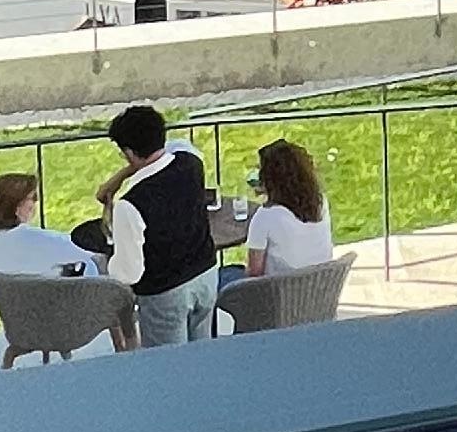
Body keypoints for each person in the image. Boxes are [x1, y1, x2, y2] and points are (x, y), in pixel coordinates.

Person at [95, 104, 221, 348]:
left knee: (168, 364)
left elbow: (129, 273)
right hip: (205, 275)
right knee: (203, 354)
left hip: (165, 293)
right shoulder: (191, 161)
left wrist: (107, 261)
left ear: (129, 153)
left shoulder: (130, 204)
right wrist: (121, 176)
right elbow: (172, 148)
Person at [230, 135, 336, 305]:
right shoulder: (321, 203)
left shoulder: (265, 217)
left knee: (224, 276)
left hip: (279, 302)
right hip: (316, 296)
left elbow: (254, 275)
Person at [0, 171, 106, 284]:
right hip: (74, 299)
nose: (36, 202)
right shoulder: (37, 240)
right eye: (33, 198)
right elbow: (86, 250)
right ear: (16, 206)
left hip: (21, 303)